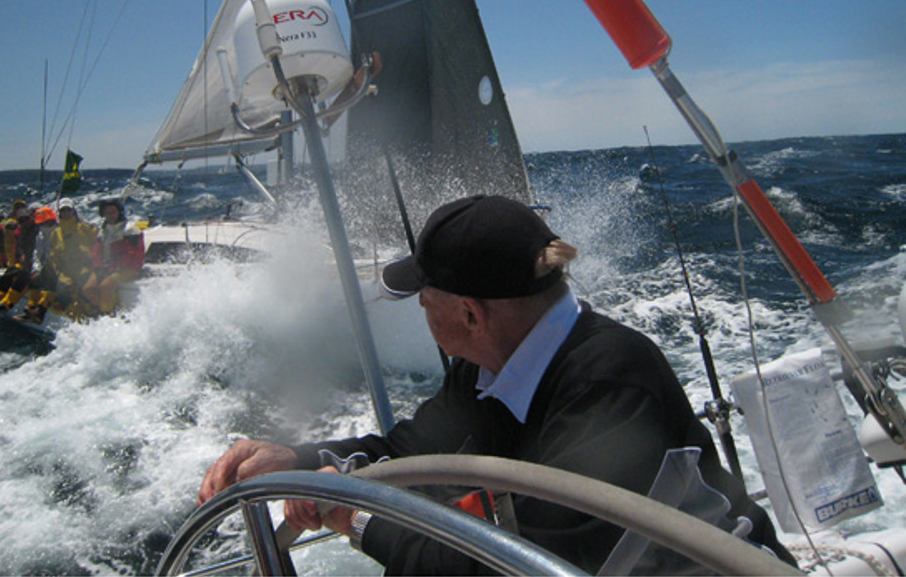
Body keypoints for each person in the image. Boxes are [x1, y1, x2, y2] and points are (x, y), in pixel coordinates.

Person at [198, 195, 797, 574]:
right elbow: (411, 456)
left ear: (469, 315)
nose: (420, 315)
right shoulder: (488, 370)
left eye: (424, 301)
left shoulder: (612, 382)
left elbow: (524, 563)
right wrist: (297, 462)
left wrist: (354, 519)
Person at [37, 197, 98, 319]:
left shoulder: (84, 228)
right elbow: (54, 254)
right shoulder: (56, 233)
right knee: (63, 289)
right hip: (66, 270)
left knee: (84, 290)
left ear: (73, 211)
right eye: (63, 211)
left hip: (85, 267)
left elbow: (97, 242)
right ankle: (72, 317)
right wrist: (57, 270)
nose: (66, 213)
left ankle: (93, 313)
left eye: (68, 210)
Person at [81, 199, 144, 314]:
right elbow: (96, 252)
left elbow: (134, 255)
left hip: (129, 269)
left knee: (105, 286)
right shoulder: (104, 230)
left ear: (119, 212)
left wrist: (114, 267)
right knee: (87, 289)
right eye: (107, 213)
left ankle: (108, 315)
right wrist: (98, 266)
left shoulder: (130, 230)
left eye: (113, 212)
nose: (111, 215)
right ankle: (105, 307)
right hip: (107, 268)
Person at [15, 206, 60, 323]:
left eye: (48, 221)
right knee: (32, 280)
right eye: (43, 222)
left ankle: (40, 311)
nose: (46, 223)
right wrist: (36, 268)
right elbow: (37, 252)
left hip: (59, 267)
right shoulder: (40, 234)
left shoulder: (60, 231)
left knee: (50, 281)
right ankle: (31, 309)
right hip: (44, 265)